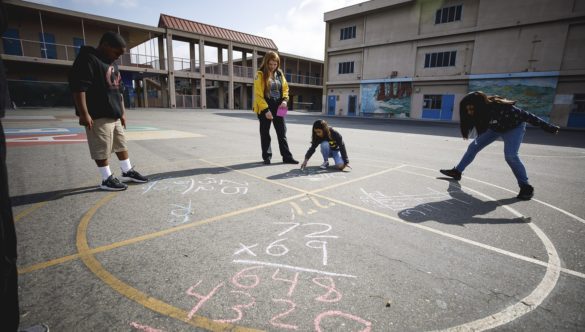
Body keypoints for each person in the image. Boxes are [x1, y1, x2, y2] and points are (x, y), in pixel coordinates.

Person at [440, 91, 559, 200]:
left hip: (513, 127)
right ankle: (457, 172)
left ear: (479, 104)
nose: (469, 111)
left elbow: (527, 116)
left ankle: (526, 187)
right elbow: (480, 126)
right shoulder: (478, 112)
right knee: (473, 147)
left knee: (511, 156)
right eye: (467, 108)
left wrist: (548, 127)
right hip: (495, 128)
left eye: (471, 107)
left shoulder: (502, 107)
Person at [69, 32, 148, 191]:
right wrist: (84, 113)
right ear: (105, 45)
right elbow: (79, 88)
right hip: (98, 114)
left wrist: (122, 113)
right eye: (117, 52)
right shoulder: (88, 59)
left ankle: (127, 171)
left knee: (120, 144)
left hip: (115, 114)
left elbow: (119, 90)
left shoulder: (112, 63)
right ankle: (106, 178)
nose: (118, 56)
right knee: (101, 148)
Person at [253, 51, 299, 165]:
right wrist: (265, 110)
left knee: (282, 131)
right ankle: (267, 157)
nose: (273, 67)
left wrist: (285, 100)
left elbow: (285, 88)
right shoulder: (260, 74)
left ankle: (287, 157)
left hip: (280, 106)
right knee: (265, 132)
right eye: (270, 64)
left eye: (275, 64)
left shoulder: (279, 73)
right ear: (266, 62)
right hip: (265, 106)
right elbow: (258, 95)